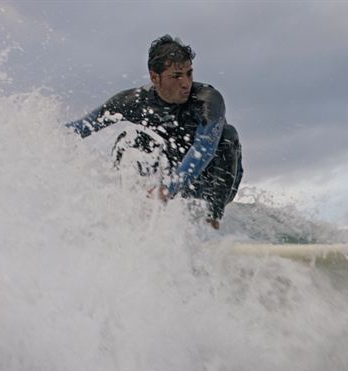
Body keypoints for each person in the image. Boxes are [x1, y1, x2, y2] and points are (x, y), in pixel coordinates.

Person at [66, 35, 243, 229]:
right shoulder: (135, 102)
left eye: (189, 73)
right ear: (154, 77)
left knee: (227, 135)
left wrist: (169, 188)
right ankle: (130, 211)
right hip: (170, 179)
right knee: (129, 140)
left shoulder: (207, 100)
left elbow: (205, 148)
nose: (186, 83)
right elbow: (81, 128)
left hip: (213, 181)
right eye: (176, 76)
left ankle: (213, 221)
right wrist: (37, 130)